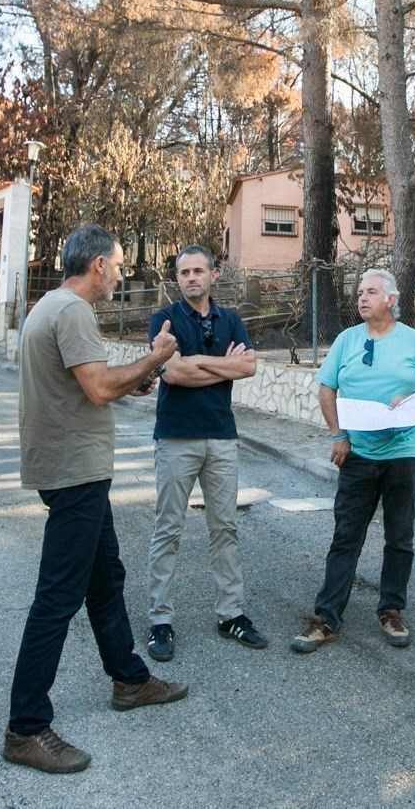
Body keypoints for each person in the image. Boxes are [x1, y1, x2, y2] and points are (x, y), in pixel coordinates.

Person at [3, 224, 189, 776]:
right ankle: (26, 728)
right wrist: (155, 359)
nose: (122, 272)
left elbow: (90, 383)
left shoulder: (50, 306)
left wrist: (133, 377)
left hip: (71, 469)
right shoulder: (74, 311)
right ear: (99, 266)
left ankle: (130, 680)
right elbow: (99, 388)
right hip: (73, 473)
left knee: (106, 578)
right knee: (57, 599)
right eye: (120, 262)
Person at [291, 268, 415, 654]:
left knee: (400, 536)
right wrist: (338, 435)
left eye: (371, 292)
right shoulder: (346, 340)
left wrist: (408, 403)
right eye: (359, 292)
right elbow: (327, 389)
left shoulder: (414, 341)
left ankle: (391, 610)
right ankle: (327, 618)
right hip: (357, 452)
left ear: (390, 300)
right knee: (346, 536)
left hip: (403, 453)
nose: (361, 298)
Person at [144, 245, 266, 661]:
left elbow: (248, 367)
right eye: (184, 272)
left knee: (225, 528)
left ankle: (230, 614)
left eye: (199, 270)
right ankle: (160, 620)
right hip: (176, 438)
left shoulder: (231, 319)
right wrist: (218, 364)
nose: (192, 277)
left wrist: (195, 361)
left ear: (214, 275)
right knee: (168, 529)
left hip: (221, 438)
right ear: (177, 279)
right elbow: (173, 373)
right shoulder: (163, 319)